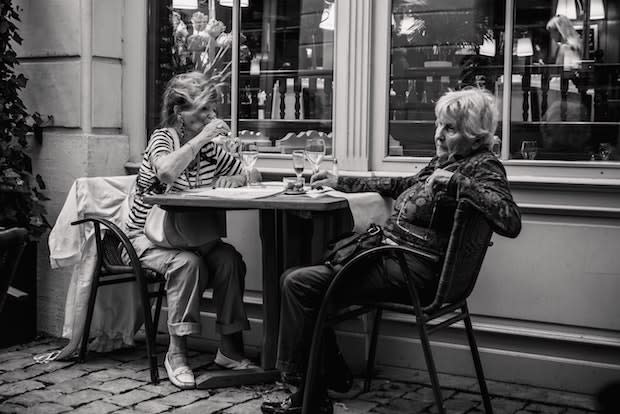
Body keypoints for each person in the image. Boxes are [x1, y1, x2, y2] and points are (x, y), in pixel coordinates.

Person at [261, 88, 522, 414]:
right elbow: (401, 185)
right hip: (394, 259)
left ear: (474, 134)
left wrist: (461, 186)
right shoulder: (448, 160)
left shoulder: (482, 167)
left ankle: (308, 393)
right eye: (439, 125)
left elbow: (511, 221)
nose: (439, 134)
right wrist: (341, 180)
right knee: (303, 281)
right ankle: (324, 378)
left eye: (450, 129)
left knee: (300, 284)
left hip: (413, 271)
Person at [125, 71, 258, 390]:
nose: (212, 116)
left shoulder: (210, 150)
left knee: (228, 258)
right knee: (188, 263)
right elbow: (167, 171)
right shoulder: (162, 139)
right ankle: (176, 353)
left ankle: (229, 349)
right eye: (203, 110)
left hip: (190, 237)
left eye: (213, 109)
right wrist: (202, 139)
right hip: (145, 239)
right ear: (178, 113)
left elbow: (250, 171)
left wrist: (237, 178)